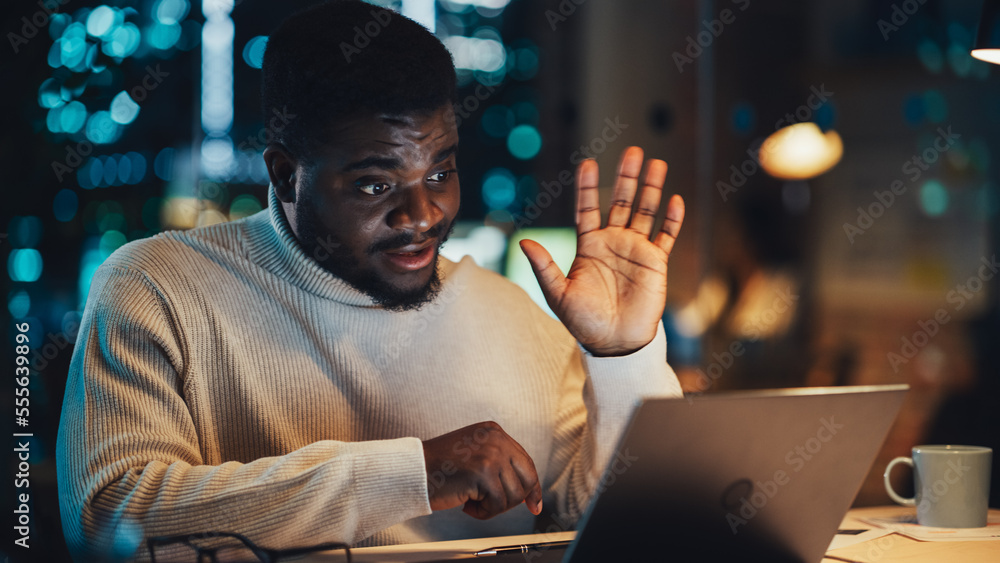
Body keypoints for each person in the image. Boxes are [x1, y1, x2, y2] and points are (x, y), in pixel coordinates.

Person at [56, 1, 686, 560]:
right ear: (284, 175)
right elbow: (111, 520)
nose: (423, 218)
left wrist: (624, 354)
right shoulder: (155, 287)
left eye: (439, 173)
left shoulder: (512, 314)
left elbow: (620, 523)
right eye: (375, 185)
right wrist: (416, 473)